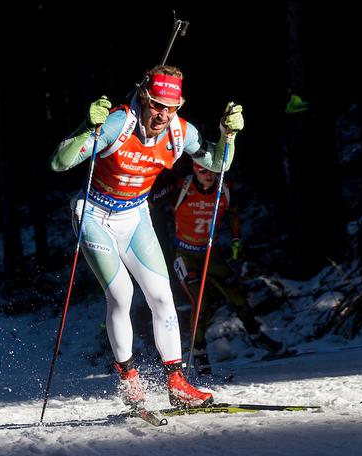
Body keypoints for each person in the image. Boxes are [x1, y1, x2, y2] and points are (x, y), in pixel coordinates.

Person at [50, 65, 244, 408]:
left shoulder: (180, 132)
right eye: (156, 105)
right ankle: (128, 379)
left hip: (135, 216)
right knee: (121, 295)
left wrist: (228, 135)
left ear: (179, 105)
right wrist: (88, 126)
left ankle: (177, 382)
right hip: (93, 214)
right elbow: (60, 162)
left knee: (162, 297)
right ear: (144, 97)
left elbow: (217, 164)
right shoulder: (118, 123)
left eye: (170, 107)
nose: (162, 114)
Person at [154, 161, 285, 375]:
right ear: (195, 170)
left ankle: (256, 336)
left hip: (211, 253)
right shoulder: (182, 187)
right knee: (201, 302)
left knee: (237, 296)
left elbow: (233, 212)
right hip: (185, 255)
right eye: (202, 170)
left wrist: (235, 240)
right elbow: (155, 199)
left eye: (212, 171)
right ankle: (199, 351)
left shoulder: (224, 188)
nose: (208, 175)